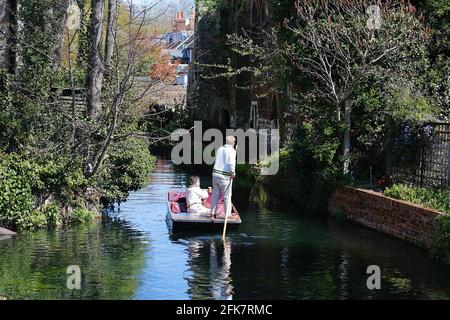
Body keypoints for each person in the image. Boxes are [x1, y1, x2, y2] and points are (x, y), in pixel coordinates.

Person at [210, 136, 237, 219]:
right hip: (224, 176)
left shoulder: (220, 148)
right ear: (233, 143)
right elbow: (231, 163)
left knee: (215, 194)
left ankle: (212, 213)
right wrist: (233, 173)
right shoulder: (231, 151)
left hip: (215, 174)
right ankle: (227, 215)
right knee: (227, 196)